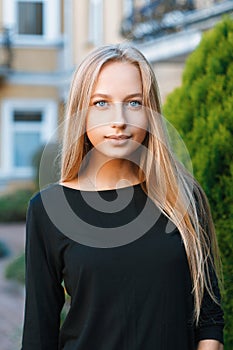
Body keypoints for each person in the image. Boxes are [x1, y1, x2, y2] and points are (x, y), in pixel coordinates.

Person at [21, 43, 224, 350]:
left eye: (134, 103)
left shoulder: (183, 196)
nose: (119, 120)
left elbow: (208, 319)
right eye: (101, 103)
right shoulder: (49, 210)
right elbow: (39, 331)